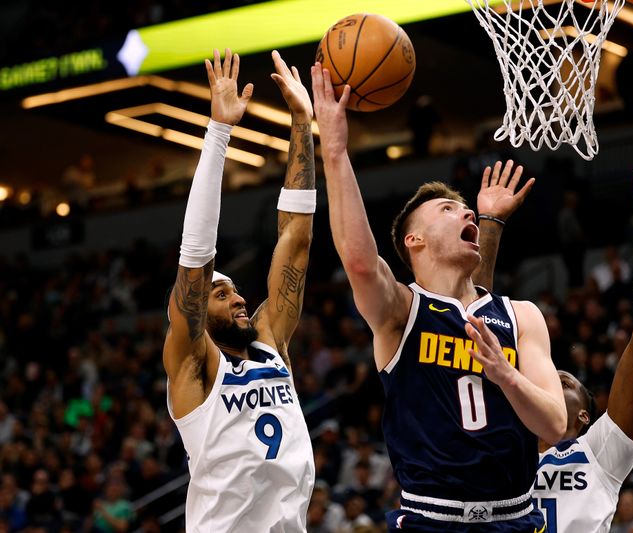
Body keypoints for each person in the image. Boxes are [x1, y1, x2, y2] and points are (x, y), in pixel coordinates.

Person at [311, 65, 566, 532]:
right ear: (415, 242)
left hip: (516, 519)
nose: (465, 210)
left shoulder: (521, 315)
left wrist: (506, 374)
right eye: (447, 209)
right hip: (433, 520)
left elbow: (553, 425)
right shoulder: (401, 312)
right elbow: (361, 262)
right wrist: (335, 149)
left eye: (464, 207)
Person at [475, 143, 633, 532]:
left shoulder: (602, 452)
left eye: (567, 380)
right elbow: (473, 325)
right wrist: (489, 222)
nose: (555, 375)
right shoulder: (504, 443)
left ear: (583, 416)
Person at [163, 49, 316, 531]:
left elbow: (295, 239)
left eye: (235, 291)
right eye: (221, 293)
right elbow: (195, 261)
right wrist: (219, 132)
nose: (240, 297)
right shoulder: (196, 366)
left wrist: (301, 123)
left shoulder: (272, 346)